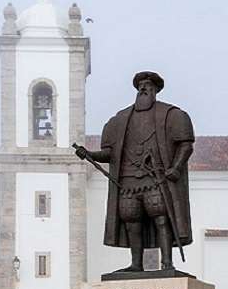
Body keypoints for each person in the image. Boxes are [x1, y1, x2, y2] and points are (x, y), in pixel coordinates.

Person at [75, 71, 195, 272]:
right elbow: (110, 154)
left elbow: (186, 144)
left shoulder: (171, 115)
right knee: (131, 220)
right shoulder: (120, 120)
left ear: (155, 90)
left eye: (148, 86)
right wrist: (90, 154)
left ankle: (166, 263)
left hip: (156, 178)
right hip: (128, 181)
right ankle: (136, 264)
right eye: (140, 86)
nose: (143, 89)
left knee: (161, 218)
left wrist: (175, 167)